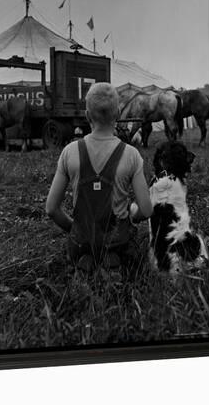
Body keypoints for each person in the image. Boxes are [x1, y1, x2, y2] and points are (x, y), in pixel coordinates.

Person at [46, 82, 153, 274]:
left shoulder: (69, 152)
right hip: (118, 242)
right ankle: (112, 259)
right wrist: (133, 211)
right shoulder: (131, 154)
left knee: (81, 250)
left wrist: (74, 228)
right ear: (118, 113)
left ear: (87, 115)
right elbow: (145, 210)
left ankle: (85, 258)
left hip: (80, 241)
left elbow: (51, 209)